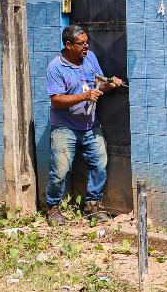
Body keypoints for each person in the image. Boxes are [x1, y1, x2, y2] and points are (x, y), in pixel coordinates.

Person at [44, 24, 123, 225]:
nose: (86, 46)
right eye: (81, 44)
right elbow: (56, 100)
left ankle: (92, 206)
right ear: (68, 45)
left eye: (87, 42)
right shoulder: (56, 67)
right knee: (60, 171)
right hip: (64, 127)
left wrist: (111, 84)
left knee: (100, 165)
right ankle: (53, 208)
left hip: (90, 125)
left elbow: (99, 84)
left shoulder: (90, 58)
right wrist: (84, 96)